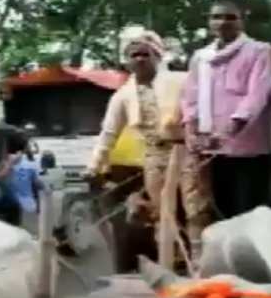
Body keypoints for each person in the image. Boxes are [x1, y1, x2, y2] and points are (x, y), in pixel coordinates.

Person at [85, 30, 213, 262]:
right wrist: (94, 165)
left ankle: (199, 260)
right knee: (159, 210)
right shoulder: (122, 96)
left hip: (187, 151)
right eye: (134, 55)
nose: (140, 59)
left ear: (158, 55)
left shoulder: (183, 80)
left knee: (196, 208)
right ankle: (170, 260)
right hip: (153, 155)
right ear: (128, 60)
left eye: (145, 54)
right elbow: (108, 133)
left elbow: (205, 111)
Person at [181, 0, 271, 219]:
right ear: (209, 22)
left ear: (243, 21)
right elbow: (189, 97)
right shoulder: (201, 57)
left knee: (250, 213)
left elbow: (256, 95)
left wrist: (228, 131)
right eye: (216, 17)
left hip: (249, 150)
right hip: (211, 150)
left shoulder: (259, 51)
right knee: (222, 211)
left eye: (230, 17)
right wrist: (190, 132)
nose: (223, 22)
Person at [6, 134, 43, 214]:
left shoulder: (4, 161)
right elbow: (38, 183)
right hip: (27, 204)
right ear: (25, 146)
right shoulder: (32, 162)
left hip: (7, 203)